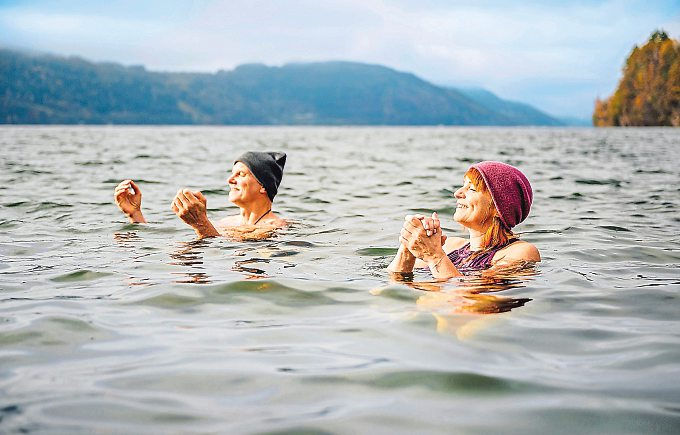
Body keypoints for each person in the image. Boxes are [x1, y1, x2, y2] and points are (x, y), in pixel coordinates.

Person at [387, 161, 540, 278]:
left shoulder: (520, 252)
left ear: (499, 208)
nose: (457, 193)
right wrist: (409, 246)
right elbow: (392, 287)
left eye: (471, 189)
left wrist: (434, 256)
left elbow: (471, 303)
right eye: (463, 186)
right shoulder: (449, 246)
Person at [114, 151, 287, 239]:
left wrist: (202, 224)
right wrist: (135, 214)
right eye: (231, 173)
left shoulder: (275, 228)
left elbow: (215, 250)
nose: (230, 180)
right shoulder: (226, 223)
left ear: (263, 186)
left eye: (240, 174)